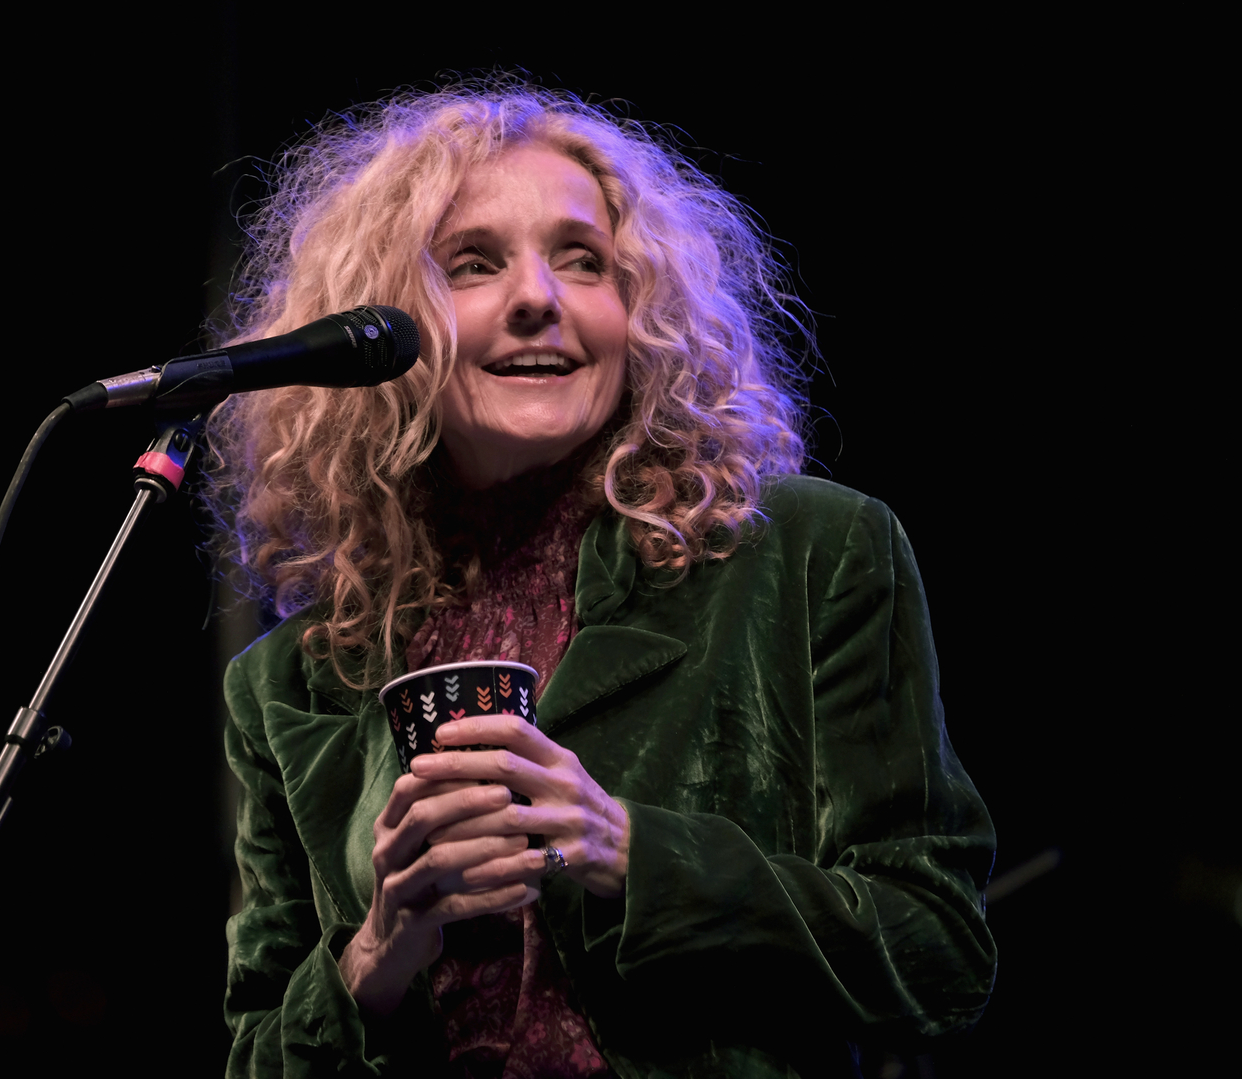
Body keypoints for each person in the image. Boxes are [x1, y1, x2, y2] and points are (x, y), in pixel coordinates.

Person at [210, 81, 996, 1078]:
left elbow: (939, 955)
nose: (538, 295)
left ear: (641, 311)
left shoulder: (806, 556)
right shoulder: (289, 684)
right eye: (474, 263)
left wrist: (632, 851)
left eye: (585, 259)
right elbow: (255, 1057)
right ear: (386, 329)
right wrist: (374, 954)